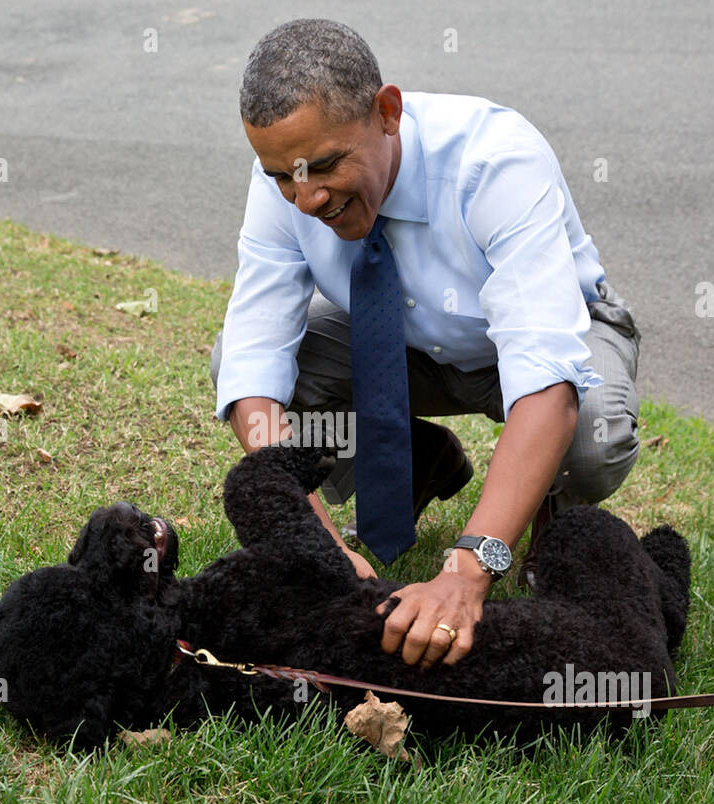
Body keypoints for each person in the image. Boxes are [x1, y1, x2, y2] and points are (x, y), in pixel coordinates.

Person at [208, 18, 641, 671]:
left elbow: (547, 381)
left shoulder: (497, 162)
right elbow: (252, 360)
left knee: (592, 440)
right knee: (246, 369)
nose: (305, 199)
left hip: (537, 342)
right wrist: (314, 548)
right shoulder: (290, 176)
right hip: (401, 345)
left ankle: (546, 523)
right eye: (283, 177)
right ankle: (411, 459)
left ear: (387, 112)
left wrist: (470, 569)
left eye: (325, 166)